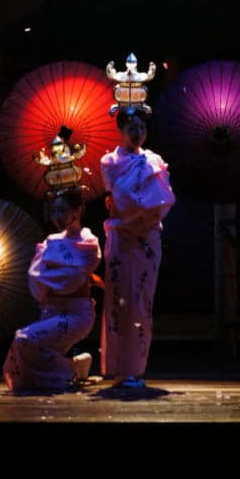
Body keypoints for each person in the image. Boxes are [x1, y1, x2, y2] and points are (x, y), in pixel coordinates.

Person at [100, 108, 175, 388]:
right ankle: (119, 368)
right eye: (131, 127)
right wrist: (140, 209)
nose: (137, 133)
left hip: (147, 237)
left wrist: (147, 213)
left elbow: (163, 200)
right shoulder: (110, 161)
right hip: (122, 235)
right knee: (120, 299)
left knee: (141, 299)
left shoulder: (155, 160)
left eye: (142, 127)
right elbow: (123, 197)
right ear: (120, 130)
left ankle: (135, 368)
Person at [3, 185, 101, 393]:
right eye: (54, 210)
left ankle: (70, 370)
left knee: (24, 339)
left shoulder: (88, 242)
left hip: (76, 314)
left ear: (78, 211)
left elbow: (73, 276)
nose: (56, 216)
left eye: (63, 210)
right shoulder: (51, 241)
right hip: (51, 310)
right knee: (29, 357)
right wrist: (59, 275)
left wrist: (51, 276)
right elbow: (34, 275)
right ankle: (77, 364)